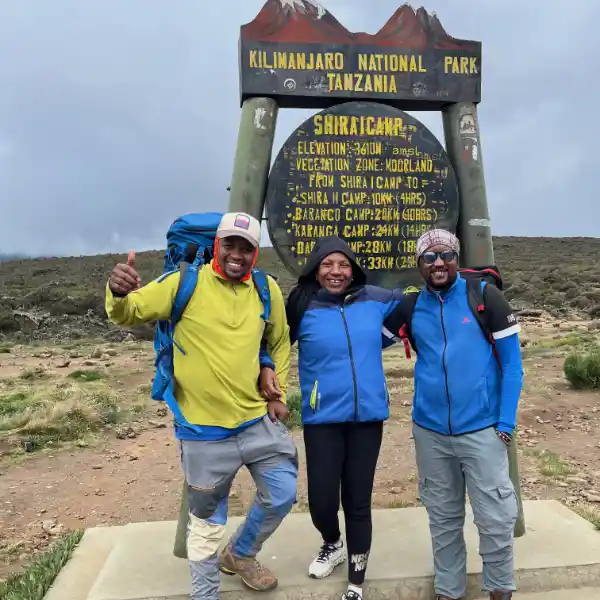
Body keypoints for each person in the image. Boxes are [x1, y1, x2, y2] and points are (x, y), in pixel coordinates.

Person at [105, 212, 297, 600]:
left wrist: (277, 388)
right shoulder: (183, 283)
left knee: (282, 494)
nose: (237, 255)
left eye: (246, 249)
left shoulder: (266, 289)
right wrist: (119, 291)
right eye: (230, 245)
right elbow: (127, 314)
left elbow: (279, 339)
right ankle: (205, 594)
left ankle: (241, 554)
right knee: (207, 524)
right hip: (203, 431)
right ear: (216, 245)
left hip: (256, 421)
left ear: (255, 254)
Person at [383, 229, 523, 600]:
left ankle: (499, 588)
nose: (438, 263)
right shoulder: (411, 307)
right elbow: (372, 337)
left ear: (456, 259)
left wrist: (505, 424)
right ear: (419, 264)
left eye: (445, 255)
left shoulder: (485, 298)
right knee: (443, 519)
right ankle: (449, 590)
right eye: (429, 257)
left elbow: (512, 367)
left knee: (494, 517)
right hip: (430, 432)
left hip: (483, 429)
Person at [261, 236, 402, 600]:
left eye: (343, 265)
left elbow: (418, 303)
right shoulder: (302, 303)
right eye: (327, 264)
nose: (336, 271)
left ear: (353, 269)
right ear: (316, 269)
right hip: (322, 417)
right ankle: (332, 543)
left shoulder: (375, 298)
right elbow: (273, 341)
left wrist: (481, 279)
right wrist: (266, 371)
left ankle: (356, 582)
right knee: (322, 501)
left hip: (368, 417)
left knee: (358, 501)